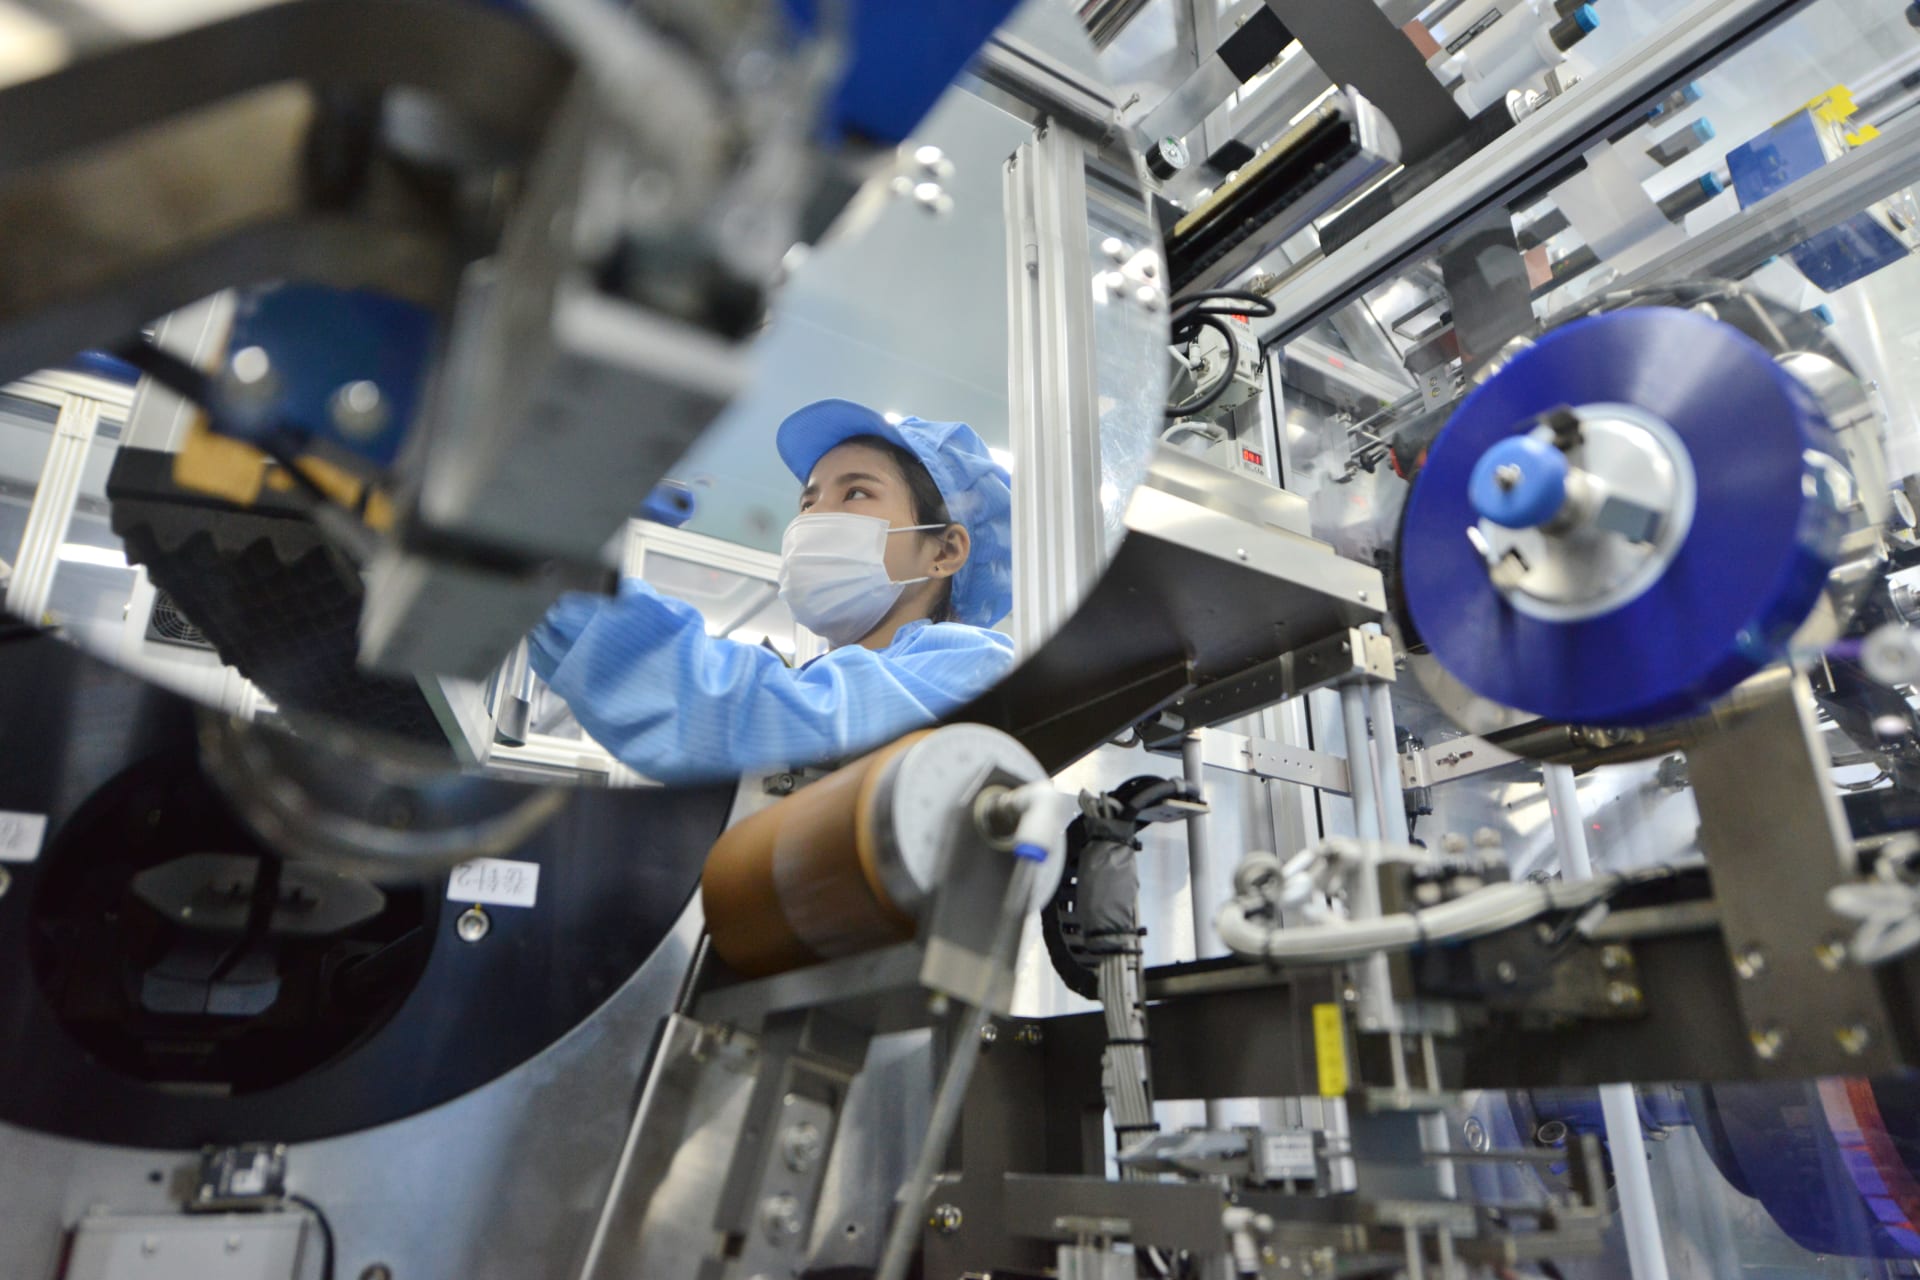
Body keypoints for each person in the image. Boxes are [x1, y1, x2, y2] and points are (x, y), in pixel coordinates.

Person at [528, 399, 1016, 782]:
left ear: (945, 550)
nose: (814, 517)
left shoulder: (972, 670)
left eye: (856, 492)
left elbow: (729, 712)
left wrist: (557, 565)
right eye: (808, 500)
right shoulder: (819, 680)